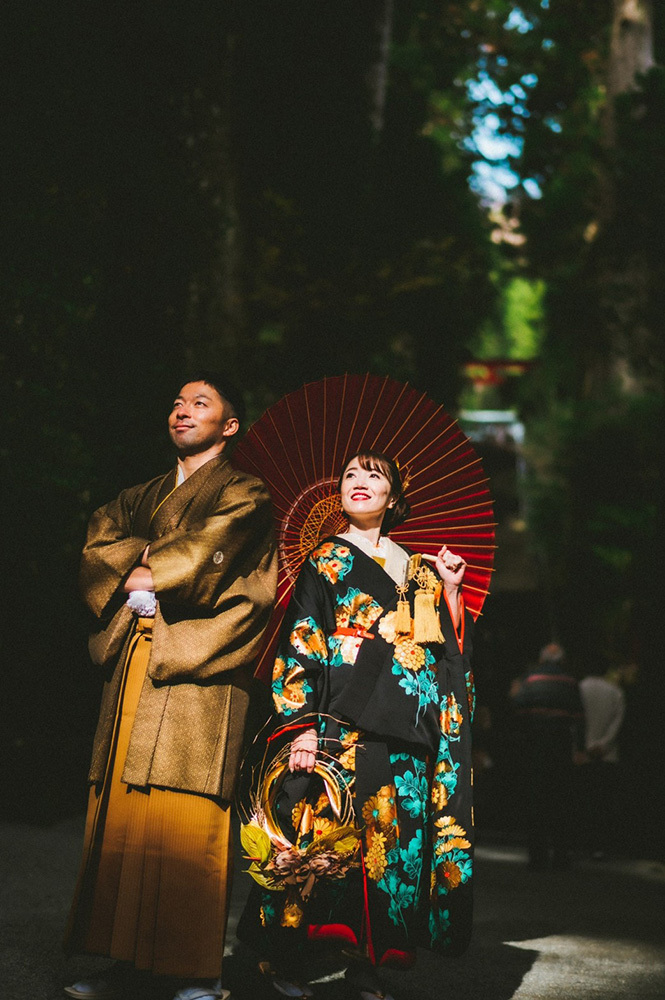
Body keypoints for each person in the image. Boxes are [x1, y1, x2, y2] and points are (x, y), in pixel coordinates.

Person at [63, 375, 278, 1000]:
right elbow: (97, 545)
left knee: (186, 815)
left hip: (197, 667)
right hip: (136, 656)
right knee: (123, 808)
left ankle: (194, 972)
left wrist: (143, 568)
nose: (182, 412)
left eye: (200, 404)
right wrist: (151, 570)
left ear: (229, 426)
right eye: (178, 404)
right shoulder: (141, 495)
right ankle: (122, 961)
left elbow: (213, 556)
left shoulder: (246, 492)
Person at [239, 450, 475, 1000]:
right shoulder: (325, 561)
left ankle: (368, 968)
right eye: (350, 474)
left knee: (393, 854)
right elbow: (302, 641)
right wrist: (301, 725)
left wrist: (451, 591)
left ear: (394, 497)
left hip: (408, 729)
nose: (359, 482)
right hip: (342, 721)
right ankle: (286, 961)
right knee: (325, 845)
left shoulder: (420, 569)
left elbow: (444, 654)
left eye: (375, 475)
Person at [510, 643, 584, 870]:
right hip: (561, 750)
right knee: (561, 802)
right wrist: (579, 749)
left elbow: (518, 709)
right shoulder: (570, 682)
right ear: (562, 661)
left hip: (535, 749)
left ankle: (537, 857)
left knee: (536, 802)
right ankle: (560, 856)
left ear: (541, 659)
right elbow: (579, 718)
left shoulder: (530, 680)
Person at [577, 662, 638, 856]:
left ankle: (581, 843)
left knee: (582, 800)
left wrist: (585, 745)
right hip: (607, 754)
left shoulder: (578, 688)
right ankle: (600, 846)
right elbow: (618, 723)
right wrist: (603, 744)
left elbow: (576, 720)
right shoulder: (615, 692)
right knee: (603, 802)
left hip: (582, 753)